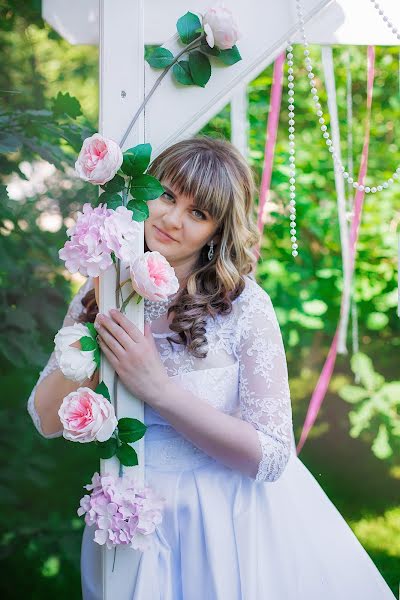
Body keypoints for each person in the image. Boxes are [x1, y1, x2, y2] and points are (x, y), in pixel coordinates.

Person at [27, 136, 396, 599]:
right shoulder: (98, 287)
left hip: (225, 521)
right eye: (166, 195)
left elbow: (274, 455)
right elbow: (45, 419)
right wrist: (89, 341)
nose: (171, 219)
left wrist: (157, 389)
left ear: (217, 232)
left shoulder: (244, 307)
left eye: (198, 213)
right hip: (126, 519)